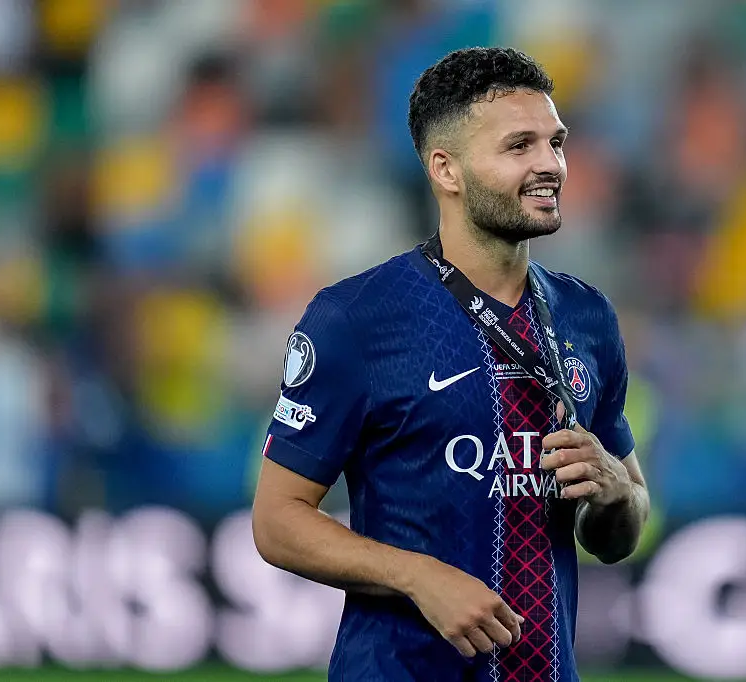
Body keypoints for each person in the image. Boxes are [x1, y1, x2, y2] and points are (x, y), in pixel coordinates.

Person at [251, 46, 650, 682]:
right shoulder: (357, 318)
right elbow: (276, 521)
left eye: (556, 142)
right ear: (447, 169)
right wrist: (416, 576)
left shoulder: (587, 316)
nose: (550, 165)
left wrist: (614, 492)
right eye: (519, 146)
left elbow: (617, 534)